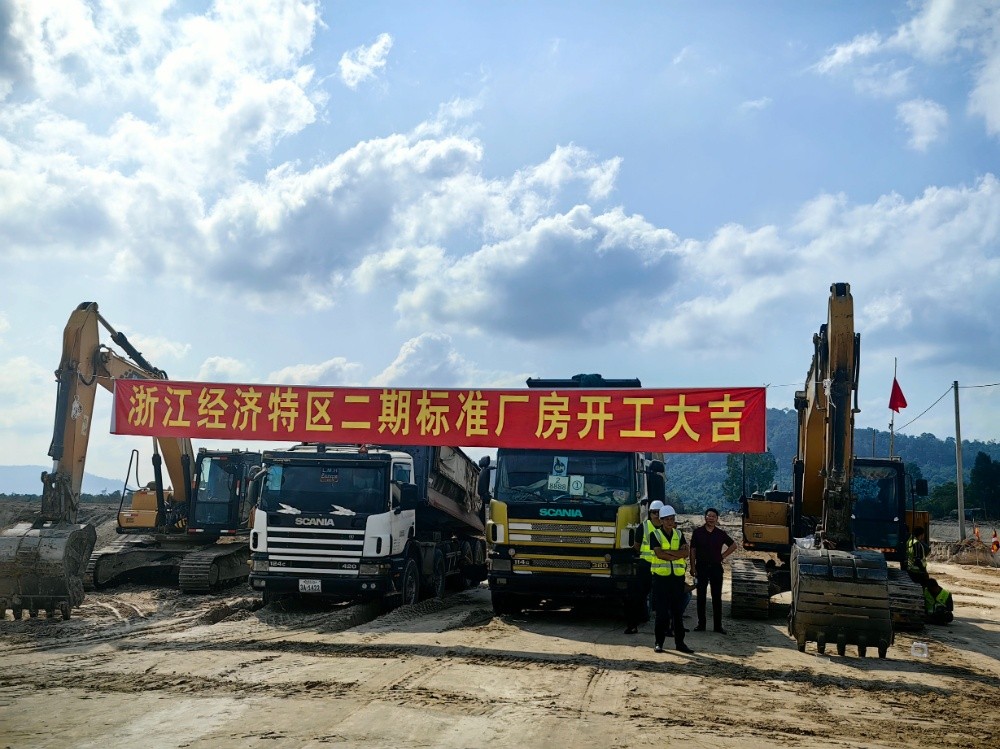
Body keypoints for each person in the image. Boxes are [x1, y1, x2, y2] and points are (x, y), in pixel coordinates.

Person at [649, 505, 694, 654]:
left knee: (677, 613)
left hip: (677, 579)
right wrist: (676, 554)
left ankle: (680, 643)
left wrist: (668, 552)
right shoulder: (655, 535)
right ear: (661, 521)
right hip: (661, 579)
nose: (670, 522)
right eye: (667, 519)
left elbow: (685, 553)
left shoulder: (679, 534)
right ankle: (659, 642)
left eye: (672, 519)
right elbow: (659, 554)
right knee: (662, 613)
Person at [689, 507, 737, 634]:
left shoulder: (720, 533)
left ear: (717, 519)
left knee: (716, 597)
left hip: (716, 568)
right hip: (701, 567)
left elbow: (733, 545)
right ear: (705, 517)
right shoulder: (697, 533)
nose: (711, 518)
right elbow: (693, 550)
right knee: (701, 597)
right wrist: (692, 567)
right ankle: (701, 624)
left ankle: (717, 626)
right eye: (709, 516)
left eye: (713, 516)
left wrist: (722, 556)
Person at [625, 499, 663, 634]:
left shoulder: (669, 528)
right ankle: (632, 625)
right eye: (654, 512)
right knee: (638, 597)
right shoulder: (644, 527)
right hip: (646, 566)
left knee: (664, 599)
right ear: (650, 513)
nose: (656, 515)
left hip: (662, 567)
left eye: (659, 512)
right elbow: (637, 546)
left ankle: (666, 628)